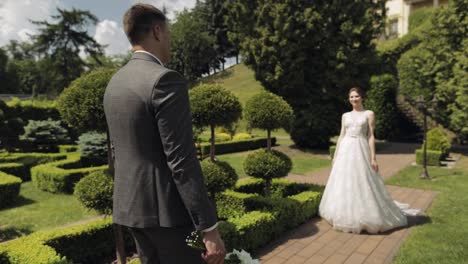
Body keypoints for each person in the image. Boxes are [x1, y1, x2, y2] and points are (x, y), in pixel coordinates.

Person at [103, 4, 226, 263]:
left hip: (131, 210)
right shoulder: (165, 80)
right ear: (157, 31)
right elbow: (181, 160)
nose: (170, 39)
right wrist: (209, 227)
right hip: (171, 217)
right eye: (168, 33)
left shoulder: (115, 82)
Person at [319, 87, 420, 234]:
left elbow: (371, 136)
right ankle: (342, 213)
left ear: (362, 97)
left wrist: (373, 157)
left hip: (360, 148)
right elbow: (341, 135)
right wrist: (335, 155)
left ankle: (365, 214)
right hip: (345, 149)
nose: (354, 99)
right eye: (351, 97)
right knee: (343, 180)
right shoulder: (345, 115)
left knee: (363, 179)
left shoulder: (369, 114)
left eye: (357, 96)